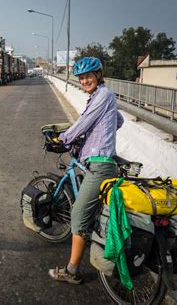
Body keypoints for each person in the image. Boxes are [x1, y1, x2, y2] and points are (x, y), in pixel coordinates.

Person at [49, 57, 124, 284]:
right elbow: (117, 120)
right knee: (91, 210)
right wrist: (97, 135)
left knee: (78, 216)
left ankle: (71, 272)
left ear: (99, 75)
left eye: (88, 76)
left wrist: (64, 138)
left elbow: (85, 121)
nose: (84, 80)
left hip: (100, 166)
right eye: (81, 77)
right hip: (99, 160)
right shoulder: (101, 97)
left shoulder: (103, 95)